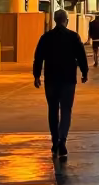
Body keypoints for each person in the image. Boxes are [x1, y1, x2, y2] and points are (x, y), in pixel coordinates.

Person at [32, 9, 89, 157]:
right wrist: (84, 72)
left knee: (52, 109)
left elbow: (38, 57)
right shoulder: (73, 37)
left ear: (55, 20)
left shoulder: (46, 37)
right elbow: (81, 56)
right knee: (66, 110)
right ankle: (62, 140)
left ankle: (55, 141)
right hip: (68, 79)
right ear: (66, 21)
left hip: (51, 78)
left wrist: (37, 75)